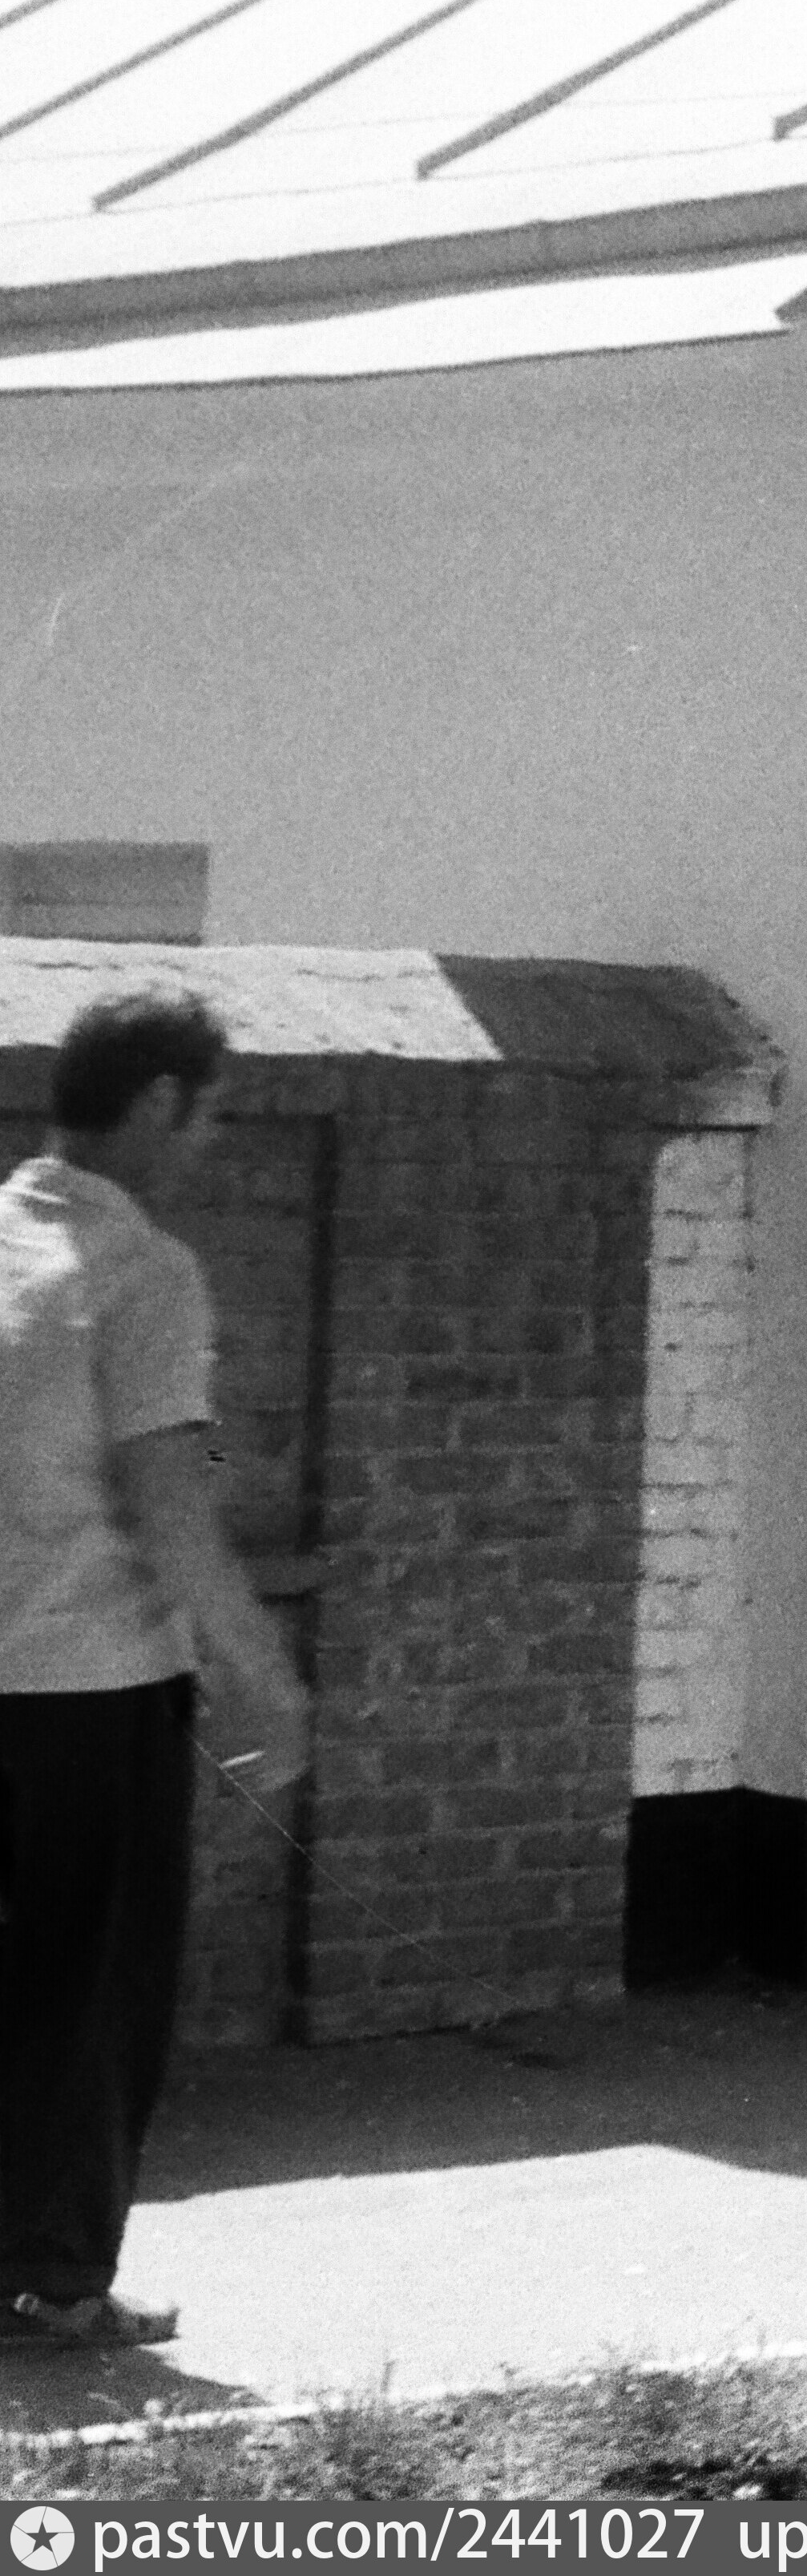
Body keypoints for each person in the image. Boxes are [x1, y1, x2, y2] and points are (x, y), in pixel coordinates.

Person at [0, 983, 305, 2355]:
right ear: (161, 1100)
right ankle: (55, 2279)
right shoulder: (145, 1271)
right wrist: (263, 1671)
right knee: (92, 1993)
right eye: (208, 1112)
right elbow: (171, 1498)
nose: (209, 1141)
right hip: (93, 1688)